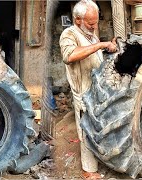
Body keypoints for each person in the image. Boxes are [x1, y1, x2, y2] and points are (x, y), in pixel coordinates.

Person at [59, 0, 117, 179]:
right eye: (91, 23)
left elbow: (94, 57)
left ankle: (99, 159)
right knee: (86, 129)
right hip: (83, 92)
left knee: (98, 129)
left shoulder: (90, 35)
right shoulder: (69, 34)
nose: (94, 26)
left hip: (97, 90)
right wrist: (100, 45)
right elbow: (69, 56)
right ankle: (89, 170)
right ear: (78, 20)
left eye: (96, 22)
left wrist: (107, 49)